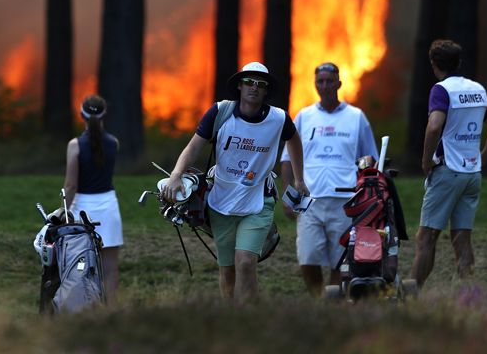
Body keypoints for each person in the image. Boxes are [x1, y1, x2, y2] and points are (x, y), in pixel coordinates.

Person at [161, 62, 305, 304]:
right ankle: (232, 318)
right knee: (227, 269)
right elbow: (194, 146)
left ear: (266, 90)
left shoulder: (278, 118)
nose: (254, 88)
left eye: (261, 84)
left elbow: (294, 141)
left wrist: (299, 180)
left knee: (246, 262)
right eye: (249, 82)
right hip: (221, 202)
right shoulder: (220, 112)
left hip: (259, 200)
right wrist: (176, 174)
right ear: (239, 86)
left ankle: (249, 320)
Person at [410, 39, 487, 287]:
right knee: (462, 238)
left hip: (447, 172)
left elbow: (434, 127)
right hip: (472, 174)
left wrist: (425, 161)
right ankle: (467, 295)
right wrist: (481, 157)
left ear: (434, 64)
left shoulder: (441, 90)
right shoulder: (477, 89)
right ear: (459, 62)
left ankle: (411, 296)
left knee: (426, 238)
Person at [280, 62, 378, 297]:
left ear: (339, 83)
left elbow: (369, 158)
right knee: (307, 256)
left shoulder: (356, 117)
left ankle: (333, 303)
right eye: (320, 82)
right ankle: (318, 298)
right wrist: (288, 196)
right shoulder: (304, 116)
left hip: (345, 200)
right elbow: (287, 159)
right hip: (309, 198)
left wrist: (366, 190)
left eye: (329, 81)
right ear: (315, 85)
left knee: (341, 259)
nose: (324, 86)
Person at [62, 94, 123, 303]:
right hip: (108, 206)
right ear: (105, 114)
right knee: (110, 268)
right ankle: (110, 312)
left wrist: (62, 210)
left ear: (82, 115)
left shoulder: (74, 145)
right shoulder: (114, 142)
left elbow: (71, 185)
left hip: (82, 208)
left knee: (80, 263)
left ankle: (84, 308)